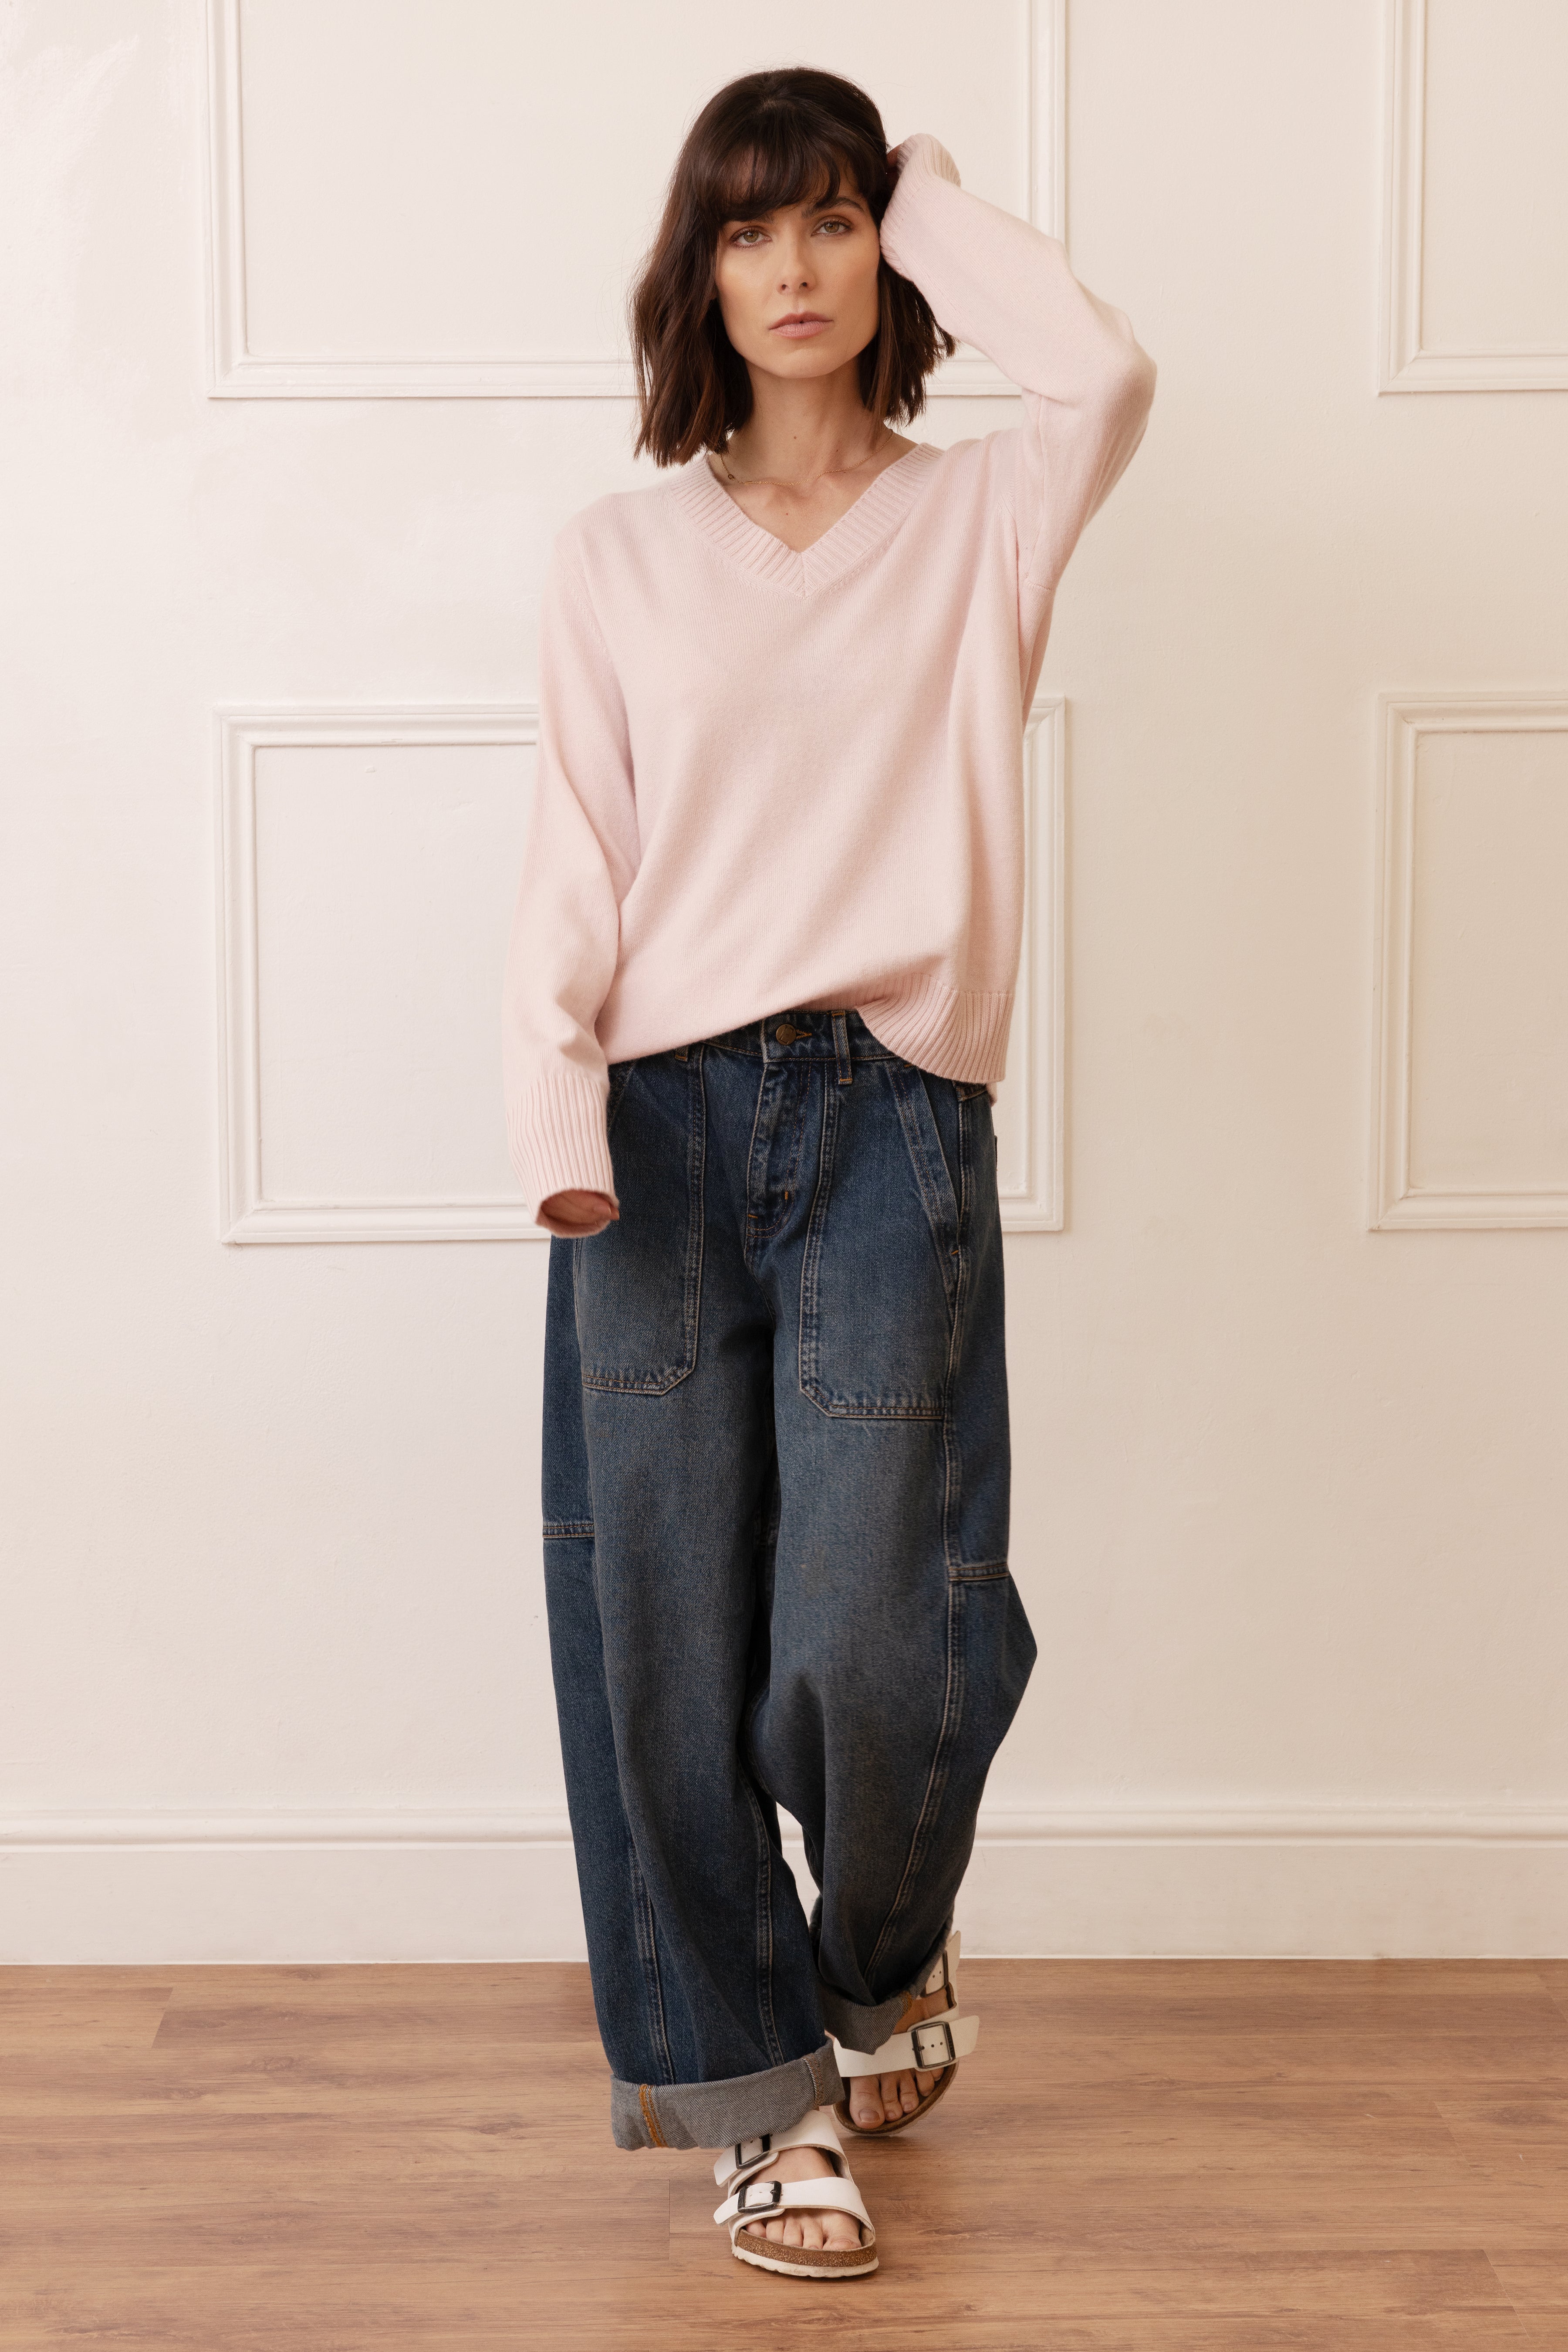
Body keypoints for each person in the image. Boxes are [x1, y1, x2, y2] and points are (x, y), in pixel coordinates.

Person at [500, 64, 1154, 2282]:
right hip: (660, 1137)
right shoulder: (618, 555)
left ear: (888, 253)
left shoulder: (990, 516)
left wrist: (939, 183)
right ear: (697, 271)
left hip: (891, 1109)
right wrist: (558, 1126)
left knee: (883, 1640)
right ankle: (760, 2103)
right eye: (748, 230)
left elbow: (1114, 363)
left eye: (836, 221)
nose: (793, 270)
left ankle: (884, 1951)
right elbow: (572, 871)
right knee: (659, 1635)